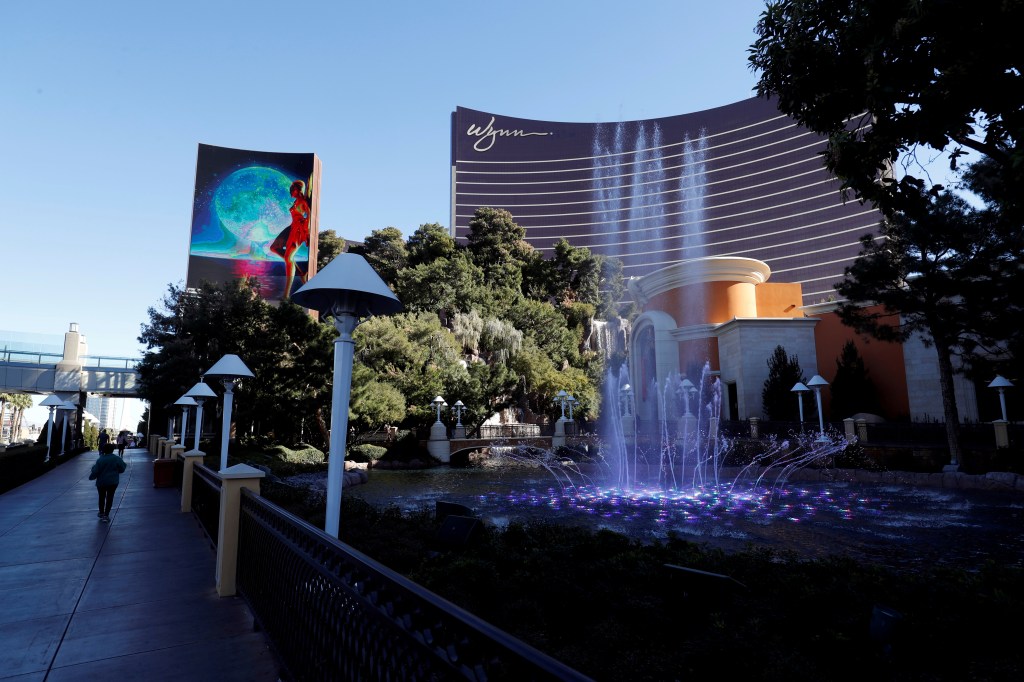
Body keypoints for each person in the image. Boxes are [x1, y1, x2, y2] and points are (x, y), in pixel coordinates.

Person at [269, 179, 312, 299]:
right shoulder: (296, 201)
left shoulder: (303, 201)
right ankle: (301, 272)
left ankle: (286, 295)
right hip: (291, 227)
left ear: (298, 189)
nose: (290, 191)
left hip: (298, 230)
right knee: (274, 248)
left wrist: (306, 233)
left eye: (292, 189)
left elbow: (309, 216)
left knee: (288, 258)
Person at [89, 447, 126, 522]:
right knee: (110, 497)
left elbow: (95, 470)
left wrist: (92, 476)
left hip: (101, 482)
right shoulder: (116, 458)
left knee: (101, 497)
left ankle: (101, 512)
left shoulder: (100, 459)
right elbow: (122, 468)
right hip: (113, 481)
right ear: (112, 450)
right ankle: (106, 515)